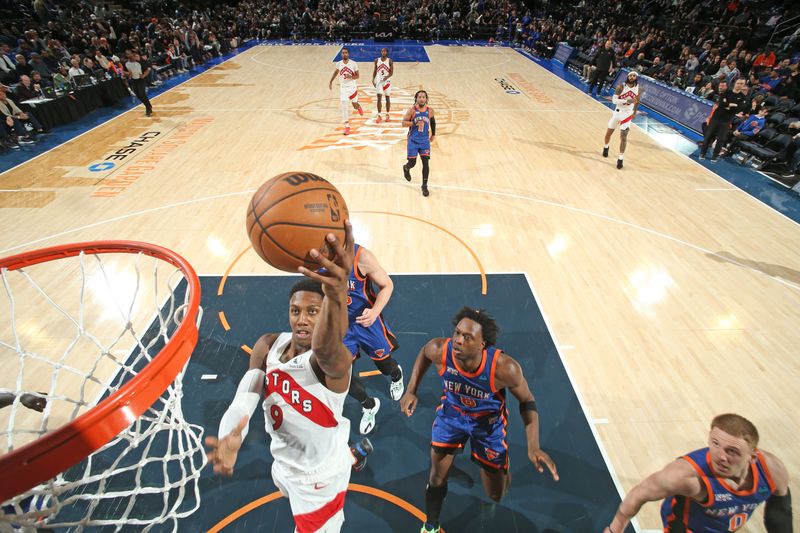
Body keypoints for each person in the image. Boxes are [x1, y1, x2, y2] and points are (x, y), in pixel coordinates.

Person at [206, 222, 373, 533]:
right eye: (296, 311)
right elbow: (244, 400)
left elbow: (326, 346)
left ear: (326, 315)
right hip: (282, 463)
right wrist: (231, 436)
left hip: (320, 480)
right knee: (285, 485)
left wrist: (336, 293)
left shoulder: (333, 363)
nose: (302, 319)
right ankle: (351, 452)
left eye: (314, 312)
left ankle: (347, 458)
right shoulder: (268, 345)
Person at [400, 307, 559, 533]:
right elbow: (424, 354)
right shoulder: (439, 349)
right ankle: (431, 524)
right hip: (451, 416)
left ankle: (503, 469)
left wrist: (533, 445)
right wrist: (411, 390)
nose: (458, 340)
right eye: (457, 333)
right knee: (436, 478)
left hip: (488, 427)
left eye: (467, 337)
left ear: (482, 344)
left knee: (496, 494)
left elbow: (527, 402)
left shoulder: (505, 369)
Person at [603, 414, 791, 533]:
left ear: (752, 457)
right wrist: (615, 529)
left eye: (732, 451)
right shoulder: (688, 477)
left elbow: (779, 514)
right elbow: (640, 493)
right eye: (715, 444)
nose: (720, 456)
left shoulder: (773, 471)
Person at [344, 243, 404, 435]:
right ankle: (369, 406)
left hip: (366, 322)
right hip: (340, 328)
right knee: (343, 380)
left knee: (385, 366)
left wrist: (375, 311)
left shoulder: (361, 256)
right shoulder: (316, 258)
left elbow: (387, 285)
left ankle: (396, 375)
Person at [700, 78, 747, 162]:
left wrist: (728, 105)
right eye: (738, 83)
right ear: (735, 83)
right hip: (716, 118)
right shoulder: (726, 92)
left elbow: (738, 109)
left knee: (720, 140)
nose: (739, 85)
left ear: (743, 85)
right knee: (708, 136)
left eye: (741, 84)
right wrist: (731, 105)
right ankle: (702, 153)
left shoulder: (743, 97)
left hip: (726, 121)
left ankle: (714, 157)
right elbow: (721, 104)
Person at [603, 70, 641, 169]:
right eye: (630, 75)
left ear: (636, 78)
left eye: (634, 76)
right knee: (608, 134)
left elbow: (637, 101)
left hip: (627, 114)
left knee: (623, 136)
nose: (632, 77)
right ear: (627, 77)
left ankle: (620, 158)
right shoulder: (621, 87)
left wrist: (635, 112)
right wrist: (626, 100)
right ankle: (606, 147)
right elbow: (614, 100)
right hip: (617, 112)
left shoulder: (638, 88)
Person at [402, 90, 436, 197]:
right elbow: (403, 123)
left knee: (426, 163)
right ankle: (406, 168)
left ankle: (424, 186)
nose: (421, 99)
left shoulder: (430, 111)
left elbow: (433, 122)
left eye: (423, 97)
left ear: (426, 99)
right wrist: (413, 123)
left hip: (425, 141)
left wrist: (433, 134)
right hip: (413, 140)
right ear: (416, 98)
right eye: (419, 97)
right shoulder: (412, 110)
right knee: (412, 163)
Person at [328, 47, 364, 136]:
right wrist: (331, 81)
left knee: (354, 104)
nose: (344, 54)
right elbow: (336, 72)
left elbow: (358, 76)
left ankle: (358, 107)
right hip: (343, 88)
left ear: (348, 54)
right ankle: (347, 126)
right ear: (341, 54)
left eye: (346, 53)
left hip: (352, 88)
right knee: (344, 104)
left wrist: (350, 76)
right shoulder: (339, 64)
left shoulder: (354, 64)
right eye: (343, 53)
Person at [125, 51, 153, 117]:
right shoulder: (126, 63)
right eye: (127, 54)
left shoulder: (139, 63)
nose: (133, 57)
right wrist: (128, 74)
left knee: (142, 93)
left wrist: (144, 75)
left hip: (141, 80)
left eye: (131, 54)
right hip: (133, 80)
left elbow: (148, 69)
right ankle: (148, 106)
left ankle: (148, 108)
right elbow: (127, 71)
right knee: (138, 95)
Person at [372, 47, 393, 123]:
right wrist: (373, 79)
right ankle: (379, 115)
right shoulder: (376, 60)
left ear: (387, 52)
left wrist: (386, 77)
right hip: (379, 81)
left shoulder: (390, 61)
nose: (383, 52)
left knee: (387, 98)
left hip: (387, 81)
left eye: (384, 51)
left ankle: (387, 114)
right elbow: (375, 70)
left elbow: (391, 73)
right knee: (379, 98)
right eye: (382, 51)